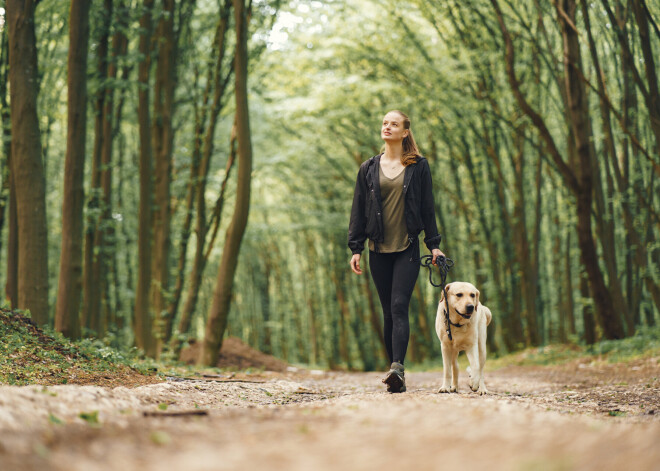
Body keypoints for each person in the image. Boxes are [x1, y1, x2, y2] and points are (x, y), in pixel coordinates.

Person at [348, 110, 444, 393]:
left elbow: (428, 207)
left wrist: (434, 244)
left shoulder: (418, 166)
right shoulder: (368, 168)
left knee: (400, 305)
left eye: (394, 124)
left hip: (408, 247)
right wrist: (356, 247)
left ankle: (398, 368)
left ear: (405, 132)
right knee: (388, 312)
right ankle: (395, 372)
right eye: (384, 123)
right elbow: (358, 208)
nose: (387, 127)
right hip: (377, 247)